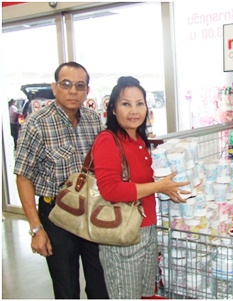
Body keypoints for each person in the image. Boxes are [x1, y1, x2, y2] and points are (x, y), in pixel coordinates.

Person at [13, 62, 109, 299]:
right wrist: (36, 229)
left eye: (80, 85)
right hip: (56, 215)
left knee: (100, 284)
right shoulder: (37, 123)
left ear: (87, 90)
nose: (73, 91)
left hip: (91, 211)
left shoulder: (93, 120)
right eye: (66, 84)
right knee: (66, 289)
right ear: (54, 87)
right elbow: (23, 177)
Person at [91, 76, 190, 299]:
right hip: (121, 235)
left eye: (140, 103)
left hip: (146, 230)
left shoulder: (140, 142)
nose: (134, 110)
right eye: (126, 104)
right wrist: (157, 186)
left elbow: (148, 182)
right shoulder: (108, 140)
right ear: (113, 109)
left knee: (145, 295)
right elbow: (111, 190)